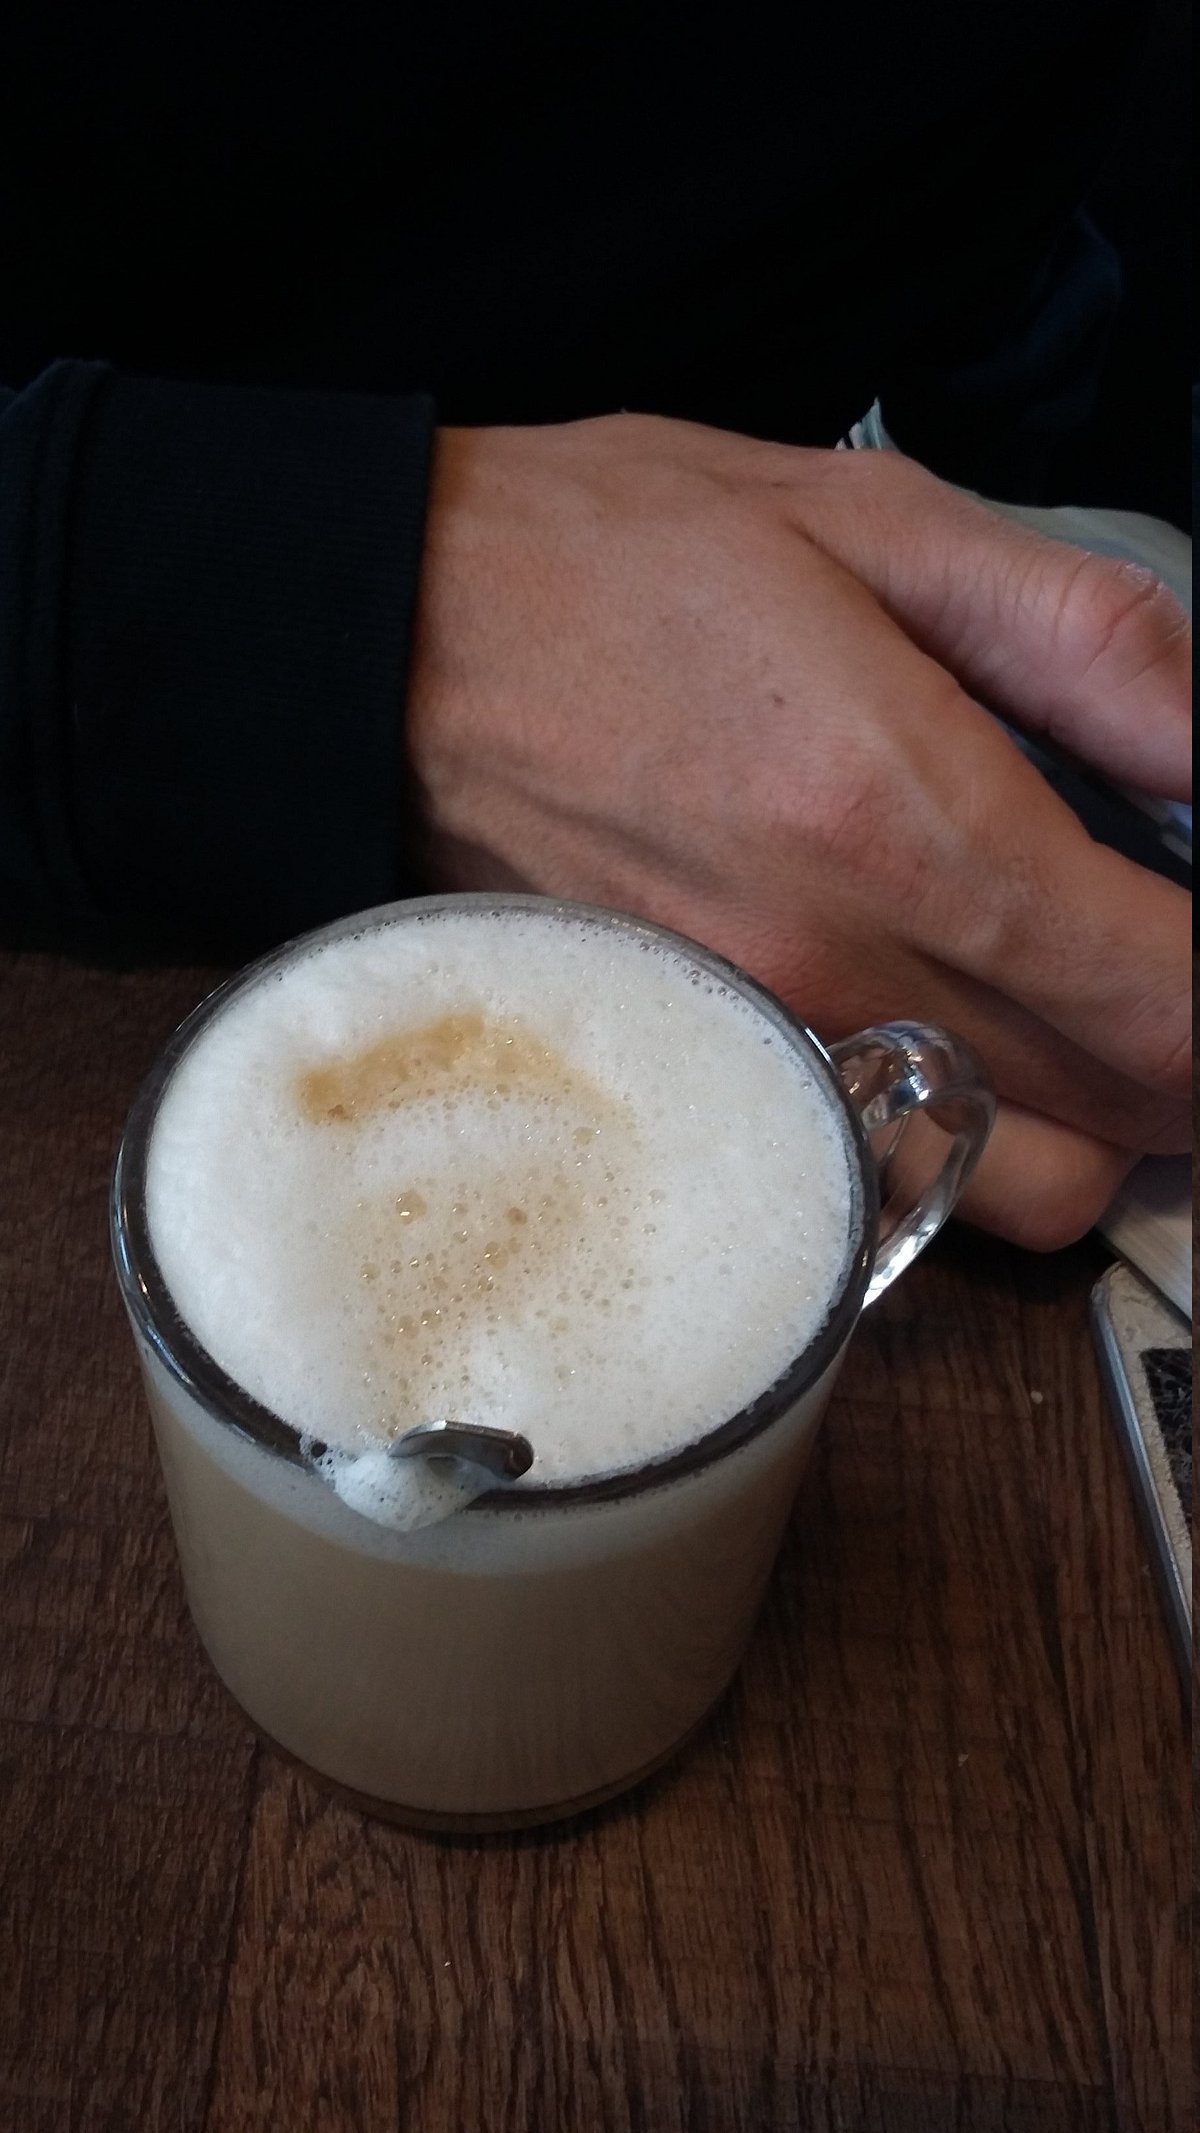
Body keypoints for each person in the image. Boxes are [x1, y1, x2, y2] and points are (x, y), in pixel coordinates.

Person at [0, 0, 1190, 1253]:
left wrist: (1047, 564)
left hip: (804, 878)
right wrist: (365, 611)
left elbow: (1028, 223)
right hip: (84, 929)